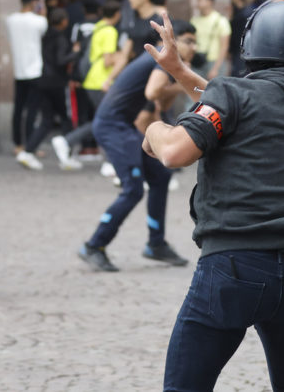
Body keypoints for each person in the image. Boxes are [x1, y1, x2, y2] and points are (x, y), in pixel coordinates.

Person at [141, 0, 284, 390]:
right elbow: (237, 102)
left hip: (234, 269)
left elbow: (176, 151)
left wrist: (153, 131)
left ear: (252, 43)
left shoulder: (234, 96)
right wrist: (178, 69)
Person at [77, 22, 198, 273]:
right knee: (132, 189)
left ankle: (156, 244)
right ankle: (94, 245)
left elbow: (161, 102)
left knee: (160, 177)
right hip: (113, 127)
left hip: (123, 126)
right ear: (170, 39)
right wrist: (185, 80)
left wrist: (179, 76)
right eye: (188, 40)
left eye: (195, 42)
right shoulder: (159, 60)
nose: (193, 47)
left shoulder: (161, 61)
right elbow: (153, 91)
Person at [52, 0, 121, 167]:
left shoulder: (98, 27)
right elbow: (107, 61)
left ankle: (68, 142)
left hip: (91, 79)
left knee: (104, 119)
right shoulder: (110, 31)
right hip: (102, 80)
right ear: (117, 14)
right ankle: (109, 161)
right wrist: (121, 57)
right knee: (108, 119)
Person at [17, 8, 81, 170]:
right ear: (63, 21)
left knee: (47, 120)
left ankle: (28, 151)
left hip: (43, 80)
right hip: (56, 83)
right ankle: (65, 156)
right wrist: (75, 53)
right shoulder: (60, 38)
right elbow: (61, 60)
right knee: (66, 119)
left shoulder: (45, 36)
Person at [6, 0, 48, 152]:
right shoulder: (39, 21)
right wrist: (43, 15)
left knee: (18, 109)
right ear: (34, 2)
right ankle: (30, 145)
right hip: (35, 70)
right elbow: (43, 34)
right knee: (32, 110)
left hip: (19, 70)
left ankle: (18, 144)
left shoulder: (10, 19)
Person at [190, 0, 232, 80]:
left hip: (214, 61)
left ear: (209, 1)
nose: (198, 3)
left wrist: (216, 68)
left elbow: (224, 46)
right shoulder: (194, 20)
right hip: (197, 61)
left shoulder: (220, 21)